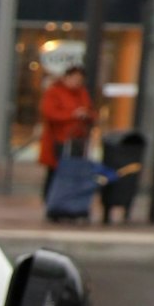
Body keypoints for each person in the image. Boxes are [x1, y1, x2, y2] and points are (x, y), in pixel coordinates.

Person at [39, 61, 96, 204]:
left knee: (73, 171)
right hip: (58, 139)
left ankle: (68, 202)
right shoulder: (54, 92)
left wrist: (86, 115)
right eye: (75, 78)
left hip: (77, 140)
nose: (77, 82)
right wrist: (72, 114)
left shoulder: (82, 93)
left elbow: (91, 111)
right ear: (67, 77)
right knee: (55, 171)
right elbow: (50, 113)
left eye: (80, 80)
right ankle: (50, 201)